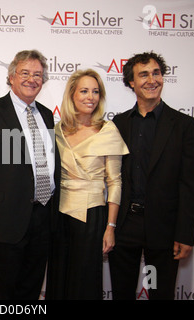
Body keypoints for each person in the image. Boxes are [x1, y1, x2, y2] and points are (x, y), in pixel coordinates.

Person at [0, 50, 60, 300]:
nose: (32, 79)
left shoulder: (47, 115)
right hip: (1, 221)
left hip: (42, 218)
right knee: (0, 292)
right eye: (25, 73)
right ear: (11, 77)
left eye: (38, 74)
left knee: (30, 288)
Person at [108, 51, 194, 300]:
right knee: (122, 293)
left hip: (164, 229)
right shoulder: (118, 123)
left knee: (160, 293)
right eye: (144, 74)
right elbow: (111, 178)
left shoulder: (184, 125)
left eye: (156, 73)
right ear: (131, 83)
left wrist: (185, 234)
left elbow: (190, 184)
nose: (152, 80)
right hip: (126, 225)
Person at [45, 69, 129, 300]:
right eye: (84, 91)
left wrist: (110, 226)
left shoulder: (107, 130)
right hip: (59, 216)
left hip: (91, 216)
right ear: (72, 95)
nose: (90, 97)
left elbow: (115, 182)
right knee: (59, 278)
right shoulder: (57, 130)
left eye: (95, 91)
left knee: (84, 283)